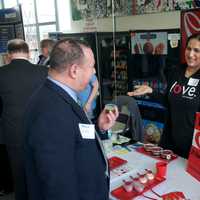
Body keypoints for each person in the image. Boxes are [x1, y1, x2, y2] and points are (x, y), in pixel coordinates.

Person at [24, 39, 119, 200]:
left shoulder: (59, 94)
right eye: (91, 67)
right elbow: (58, 185)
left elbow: (71, 138)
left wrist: (99, 127)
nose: (94, 72)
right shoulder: (50, 112)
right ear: (74, 70)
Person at [127, 33, 200, 159]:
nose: (190, 54)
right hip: (170, 143)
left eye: (197, 50)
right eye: (188, 48)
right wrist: (151, 91)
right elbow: (168, 101)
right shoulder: (177, 72)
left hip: (193, 149)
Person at [0, 39, 48, 200]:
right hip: (40, 131)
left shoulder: (1, 73)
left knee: (19, 176)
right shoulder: (43, 71)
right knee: (41, 171)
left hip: (13, 133)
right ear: (28, 53)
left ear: (8, 54)